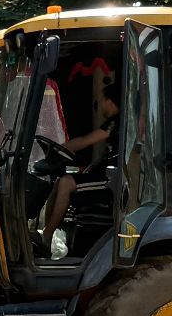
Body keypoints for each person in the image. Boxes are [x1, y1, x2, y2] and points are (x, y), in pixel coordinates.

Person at [42, 82, 119, 251]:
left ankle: (47, 236)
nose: (101, 105)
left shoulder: (116, 122)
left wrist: (62, 148)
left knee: (67, 182)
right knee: (59, 182)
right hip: (107, 174)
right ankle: (45, 234)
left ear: (110, 101)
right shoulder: (117, 123)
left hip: (113, 180)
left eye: (103, 100)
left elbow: (85, 141)